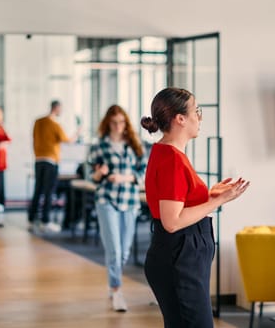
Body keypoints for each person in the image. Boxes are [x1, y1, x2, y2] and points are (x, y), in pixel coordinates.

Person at [141, 87, 249, 327]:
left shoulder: (169, 153)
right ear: (180, 119)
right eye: (196, 111)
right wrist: (217, 201)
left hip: (181, 256)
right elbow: (172, 221)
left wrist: (208, 195)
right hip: (179, 258)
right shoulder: (172, 159)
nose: (199, 118)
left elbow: (178, 203)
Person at [88, 104, 147, 312]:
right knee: (114, 248)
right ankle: (116, 290)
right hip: (106, 200)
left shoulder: (134, 145)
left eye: (121, 121)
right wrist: (99, 173)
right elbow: (90, 175)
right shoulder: (98, 146)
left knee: (124, 252)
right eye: (114, 122)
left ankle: (113, 280)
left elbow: (143, 173)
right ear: (107, 123)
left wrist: (124, 177)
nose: (118, 126)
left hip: (129, 201)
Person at [27, 100, 77, 233]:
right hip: (51, 161)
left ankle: (31, 220)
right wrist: (77, 133)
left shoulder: (38, 122)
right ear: (56, 108)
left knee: (38, 191)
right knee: (48, 192)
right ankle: (45, 221)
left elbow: (34, 138)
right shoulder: (55, 125)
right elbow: (67, 141)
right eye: (60, 109)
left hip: (38, 160)